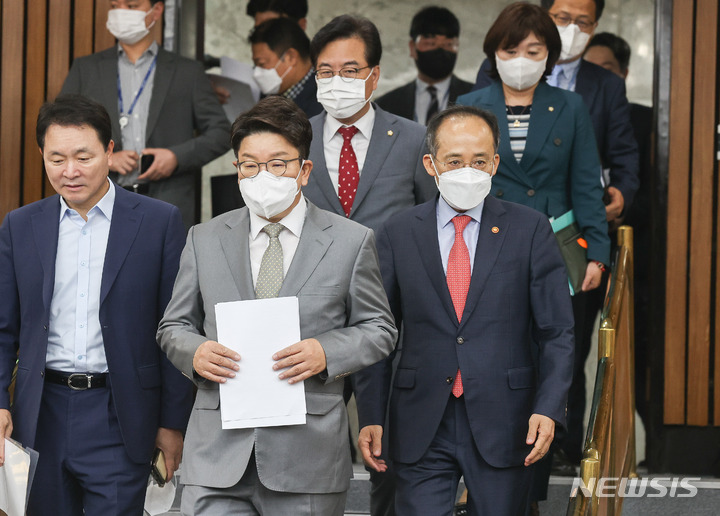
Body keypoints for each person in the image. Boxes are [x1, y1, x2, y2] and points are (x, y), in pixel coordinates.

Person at [157, 95, 397, 515]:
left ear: (303, 170)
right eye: (249, 165)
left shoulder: (350, 240)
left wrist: (327, 351)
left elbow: (379, 328)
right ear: (236, 170)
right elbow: (173, 325)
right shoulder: (204, 238)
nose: (261, 175)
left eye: (277, 164)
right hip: (216, 456)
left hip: (307, 458)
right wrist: (194, 352)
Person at [354, 104, 575, 515]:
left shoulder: (530, 230)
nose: (466, 170)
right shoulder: (398, 233)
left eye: (478, 160)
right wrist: (370, 413)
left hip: (506, 420)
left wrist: (549, 406)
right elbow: (376, 332)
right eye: (454, 160)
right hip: (420, 420)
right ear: (431, 164)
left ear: (495, 163)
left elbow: (556, 331)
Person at [0, 94, 193, 515]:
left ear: (109, 151)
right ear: (42, 156)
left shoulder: (158, 222)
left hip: (121, 414)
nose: (70, 171)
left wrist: (172, 423)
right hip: (40, 413)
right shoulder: (20, 225)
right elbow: (3, 328)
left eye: (83, 156)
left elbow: (177, 328)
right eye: (56, 158)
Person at [457, 6, 611, 507]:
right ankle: (485, 470)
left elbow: (586, 182)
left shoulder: (569, 106)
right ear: (493, 54)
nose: (520, 60)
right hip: (488, 247)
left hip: (558, 250)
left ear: (549, 56)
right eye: (510, 51)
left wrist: (598, 252)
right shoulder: (470, 103)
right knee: (498, 357)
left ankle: (537, 472)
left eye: (533, 52)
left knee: (551, 359)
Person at [61, 0, 231, 230]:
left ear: (157, 11)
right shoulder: (86, 68)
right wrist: (105, 158)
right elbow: (61, 132)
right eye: (115, 5)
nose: (121, 12)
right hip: (98, 201)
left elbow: (222, 133)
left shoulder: (187, 71)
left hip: (168, 203)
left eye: (131, 6)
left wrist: (176, 157)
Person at [305, 14, 436, 233]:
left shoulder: (415, 140)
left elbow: (431, 215)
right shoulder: (297, 139)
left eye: (349, 71)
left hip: (388, 266)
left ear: (374, 76)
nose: (336, 82)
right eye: (326, 72)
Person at [584, 31, 653, 428]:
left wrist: (621, 209)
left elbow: (660, 190)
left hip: (633, 252)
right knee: (572, 352)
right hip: (578, 252)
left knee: (633, 354)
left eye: (605, 68)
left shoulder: (646, 121)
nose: (597, 77)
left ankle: (654, 448)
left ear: (623, 73)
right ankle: (562, 450)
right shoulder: (570, 113)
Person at [376, 6, 474, 126]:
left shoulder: (480, 100)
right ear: (412, 47)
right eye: (431, 43)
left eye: (448, 44)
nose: (440, 50)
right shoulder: (385, 106)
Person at [250, 17, 323, 118]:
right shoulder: (269, 95)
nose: (256, 73)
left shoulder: (323, 102)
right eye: (255, 65)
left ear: (291, 57)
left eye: (262, 64)